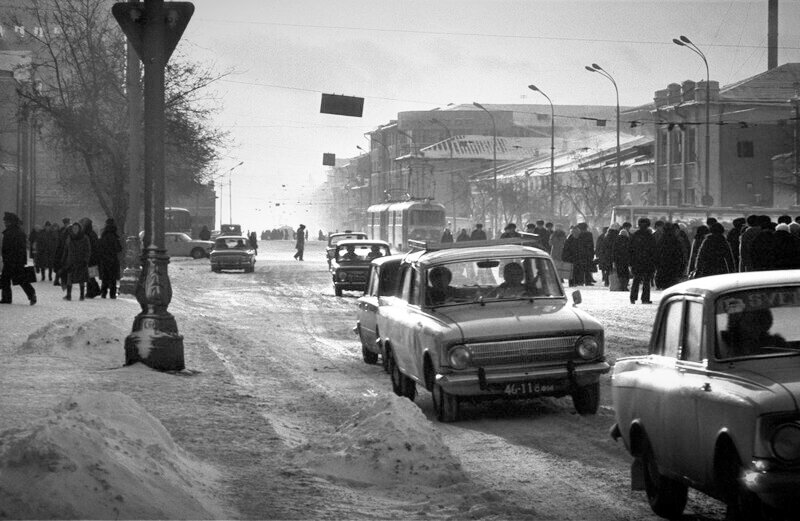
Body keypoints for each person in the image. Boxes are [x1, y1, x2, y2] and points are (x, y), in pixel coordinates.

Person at [1, 212, 36, 305]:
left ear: (11, 222)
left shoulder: (13, 232)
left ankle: (7, 298)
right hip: (14, 260)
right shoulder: (16, 231)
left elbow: (18, 248)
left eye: (6, 221)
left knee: (9, 279)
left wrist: (10, 258)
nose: (4, 222)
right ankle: (31, 294)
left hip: (12, 260)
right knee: (17, 279)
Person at [628, 217, 657, 304]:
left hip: (636, 262)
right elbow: (654, 250)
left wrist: (630, 262)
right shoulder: (650, 236)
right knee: (646, 281)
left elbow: (630, 250)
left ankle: (633, 298)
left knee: (636, 280)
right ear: (648, 225)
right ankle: (645, 298)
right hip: (648, 262)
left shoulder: (634, 235)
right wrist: (654, 263)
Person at [62, 222, 91, 301]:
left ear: (79, 229)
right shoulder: (69, 237)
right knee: (69, 278)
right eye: (73, 228)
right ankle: (69, 295)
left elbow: (88, 250)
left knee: (81, 279)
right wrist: (64, 259)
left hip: (81, 260)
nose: (75, 230)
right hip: (71, 260)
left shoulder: (85, 238)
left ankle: (81, 295)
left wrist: (86, 259)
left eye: (76, 228)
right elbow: (66, 249)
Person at [97, 219, 122, 299]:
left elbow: (100, 247)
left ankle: (103, 293)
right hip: (113, 259)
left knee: (105, 277)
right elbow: (119, 248)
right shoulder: (115, 236)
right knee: (113, 278)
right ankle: (112, 294)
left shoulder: (104, 235)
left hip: (104, 259)